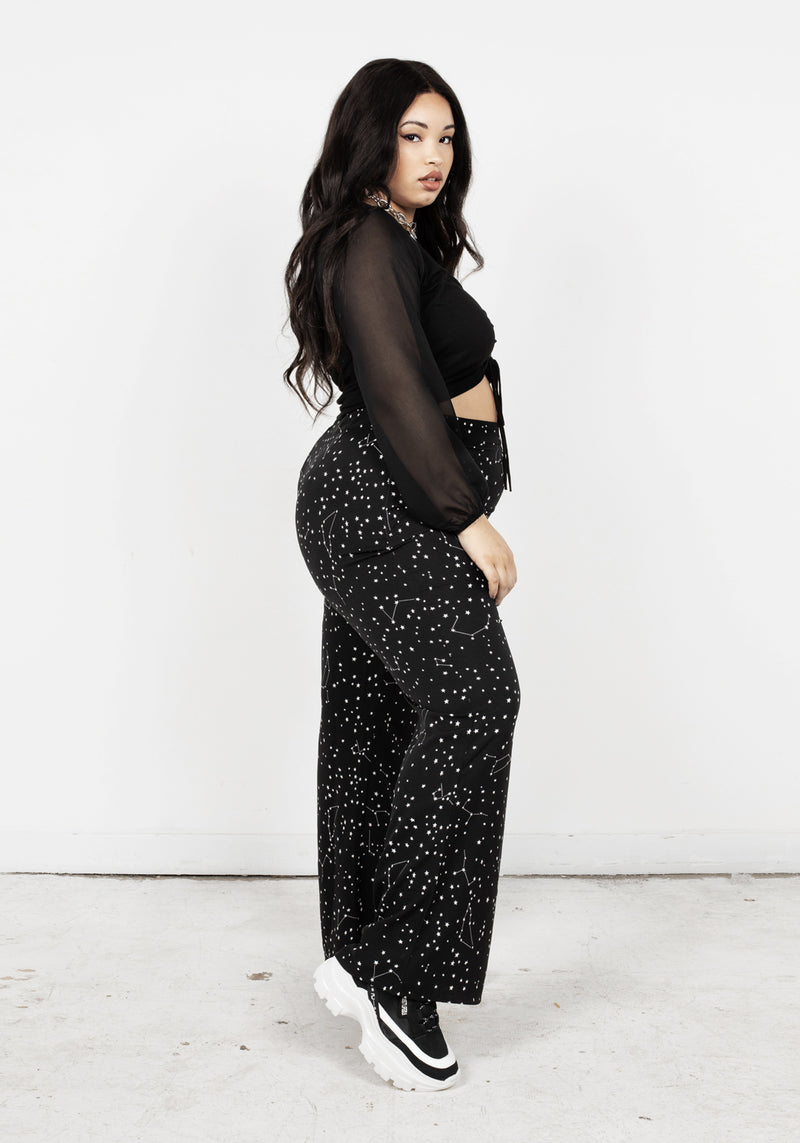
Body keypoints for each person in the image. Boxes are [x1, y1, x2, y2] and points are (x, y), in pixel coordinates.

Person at [284, 58, 522, 1092]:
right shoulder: (367, 242)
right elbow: (391, 389)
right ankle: (400, 976)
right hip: (387, 503)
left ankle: (357, 950)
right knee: (475, 700)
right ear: (369, 138)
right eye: (411, 135)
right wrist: (468, 518)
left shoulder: (392, 238)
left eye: (446, 137)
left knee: (376, 722)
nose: (433, 156)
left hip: (383, 501)